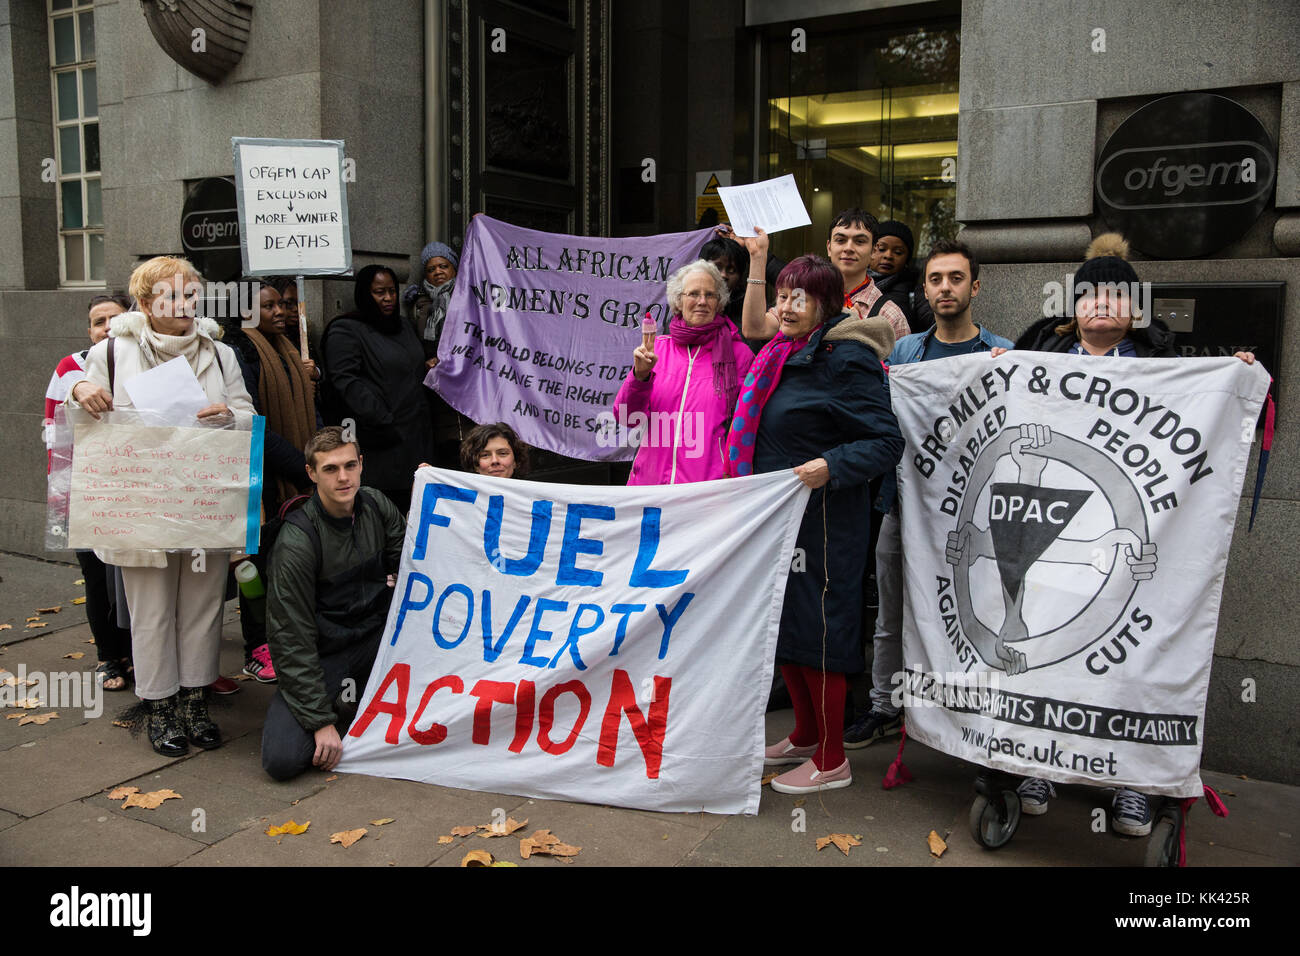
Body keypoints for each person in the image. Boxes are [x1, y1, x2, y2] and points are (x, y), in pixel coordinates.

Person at [999, 233, 1254, 837]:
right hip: (1055, 538)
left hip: (1133, 538)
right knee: (1045, 650)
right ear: (1074, 307)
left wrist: (1233, 377)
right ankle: (1038, 763)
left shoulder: (1167, 370)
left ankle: (1129, 784)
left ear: (1135, 308)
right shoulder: (1037, 360)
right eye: (1089, 296)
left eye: (1116, 294)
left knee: (1130, 658)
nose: (1101, 305)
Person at [66, 256, 256, 756]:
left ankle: (195, 699)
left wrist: (230, 416)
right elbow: (77, 400)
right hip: (142, 504)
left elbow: (247, 414)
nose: (184, 305)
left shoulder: (220, 354)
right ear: (147, 303)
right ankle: (161, 707)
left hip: (201, 500)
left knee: (202, 607)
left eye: (191, 294)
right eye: (171, 295)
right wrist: (79, 387)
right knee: (151, 611)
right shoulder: (113, 351)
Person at [738, 235, 904, 794]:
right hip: (783, 518)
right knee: (787, 626)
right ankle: (806, 734)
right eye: (782, 296)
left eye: (799, 299)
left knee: (824, 632)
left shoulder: (846, 357)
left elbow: (885, 442)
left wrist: (829, 465)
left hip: (828, 519)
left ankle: (833, 760)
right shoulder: (781, 354)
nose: (785, 307)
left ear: (826, 306)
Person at [844, 239, 1014, 755]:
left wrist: (1011, 375)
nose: (945, 288)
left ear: (975, 287)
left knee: (978, 608)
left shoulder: (1001, 353)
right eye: (936, 279)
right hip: (906, 506)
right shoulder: (905, 352)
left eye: (956, 278)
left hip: (977, 514)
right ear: (925, 287)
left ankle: (979, 708)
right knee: (891, 608)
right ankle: (884, 705)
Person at [261, 426, 406, 781]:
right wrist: (320, 722)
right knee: (282, 760)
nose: (343, 478)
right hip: (326, 651)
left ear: (361, 464)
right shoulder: (297, 541)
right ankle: (339, 706)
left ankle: (353, 702)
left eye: (349, 466)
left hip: (379, 638)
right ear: (311, 473)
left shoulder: (375, 503)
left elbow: (416, 565)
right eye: (330, 469)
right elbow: (290, 638)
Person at [45, 293, 135, 690]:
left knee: (134, 577)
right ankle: (108, 657)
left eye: (115, 319)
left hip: (136, 493)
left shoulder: (142, 362)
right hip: (87, 493)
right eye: (99, 321)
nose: (107, 328)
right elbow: (57, 437)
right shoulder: (70, 367)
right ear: (89, 330)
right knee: (97, 577)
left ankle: (136, 652)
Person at [612, 260, 754, 485]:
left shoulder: (739, 355)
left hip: (706, 491)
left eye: (710, 294)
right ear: (678, 301)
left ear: (719, 302)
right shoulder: (656, 349)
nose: (702, 301)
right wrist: (640, 377)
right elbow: (626, 417)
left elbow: (747, 427)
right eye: (693, 294)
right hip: (650, 487)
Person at [322, 265, 435, 513]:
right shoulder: (346, 329)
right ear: (364, 294)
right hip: (382, 444)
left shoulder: (404, 326)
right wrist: (382, 418)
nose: (388, 298)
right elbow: (345, 381)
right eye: (379, 292)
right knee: (384, 515)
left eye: (392, 291)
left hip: (416, 440)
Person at [868, 219, 933, 333]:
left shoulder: (916, 292)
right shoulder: (853, 284)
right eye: (882, 249)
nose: (888, 256)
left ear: (907, 259)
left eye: (898, 252)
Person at [403, 241, 459, 363]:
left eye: (443, 266)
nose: (438, 272)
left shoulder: (466, 296)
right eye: (431, 269)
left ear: (454, 269)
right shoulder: (418, 302)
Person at [699, 234, 749, 330]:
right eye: (717, 267)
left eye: (732, 270)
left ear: (740, 278)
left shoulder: (753, 314)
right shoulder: (684, 314)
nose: (723, 275)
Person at [460, 422, 530, 479]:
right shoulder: (461, 496)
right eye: (485, 455)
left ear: (515, 462)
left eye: (502, 453)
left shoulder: (533, 495)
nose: (495, 461)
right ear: (475, 466)